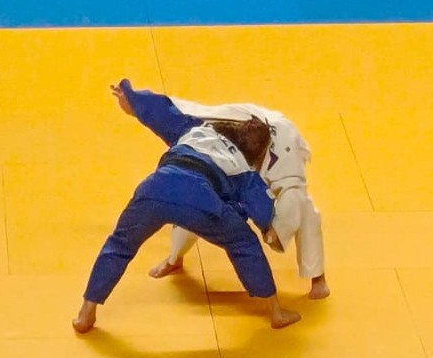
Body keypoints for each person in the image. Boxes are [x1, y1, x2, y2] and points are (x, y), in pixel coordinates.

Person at [72, 80, 301, 332]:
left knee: (119, 244)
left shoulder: (195, 130)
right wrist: (268, 227)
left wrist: (134, 102)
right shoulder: (244, 169)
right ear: (258, 152)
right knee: (244, 244)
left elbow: (163, 114)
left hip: (154, 189)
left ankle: (86, 313)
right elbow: (261, 206)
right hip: (201, 201)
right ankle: (276, 312)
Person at [149, 97, 330, 300]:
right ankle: (175, 258)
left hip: (279, 158)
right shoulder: (224, 129)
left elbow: (294, 197)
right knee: (198, 201)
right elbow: (189, 111)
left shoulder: (289, 154)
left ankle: (318, 277)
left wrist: (273, 232)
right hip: (234, 164)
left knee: (306, 211)